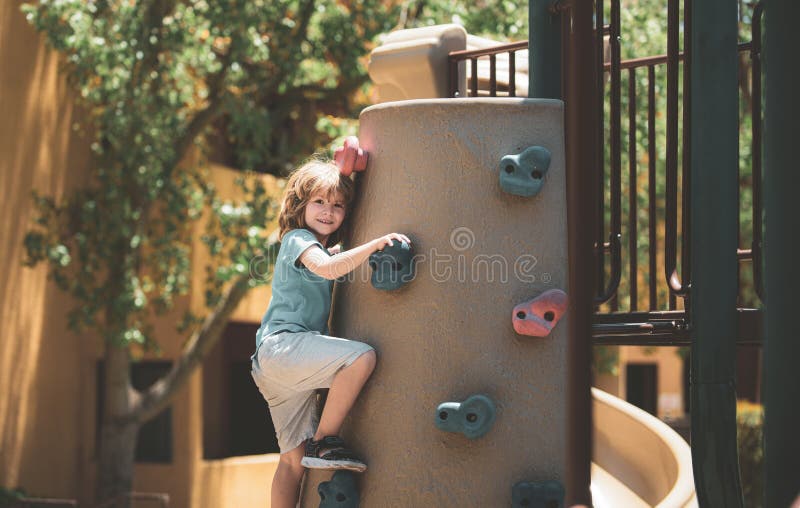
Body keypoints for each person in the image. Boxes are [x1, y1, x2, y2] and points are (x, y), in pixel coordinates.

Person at [250, 157, 410, 508]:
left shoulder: (316, 246)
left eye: (337, 205)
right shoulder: (297, 238)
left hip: (277, 369)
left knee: (292, 461)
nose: (328, 211)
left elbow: (330, 258)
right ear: (299, 205)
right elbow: (326, 268)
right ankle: (326, 439)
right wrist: (374, 245)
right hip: (283, 349)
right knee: (362, 357)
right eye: (319, 202)